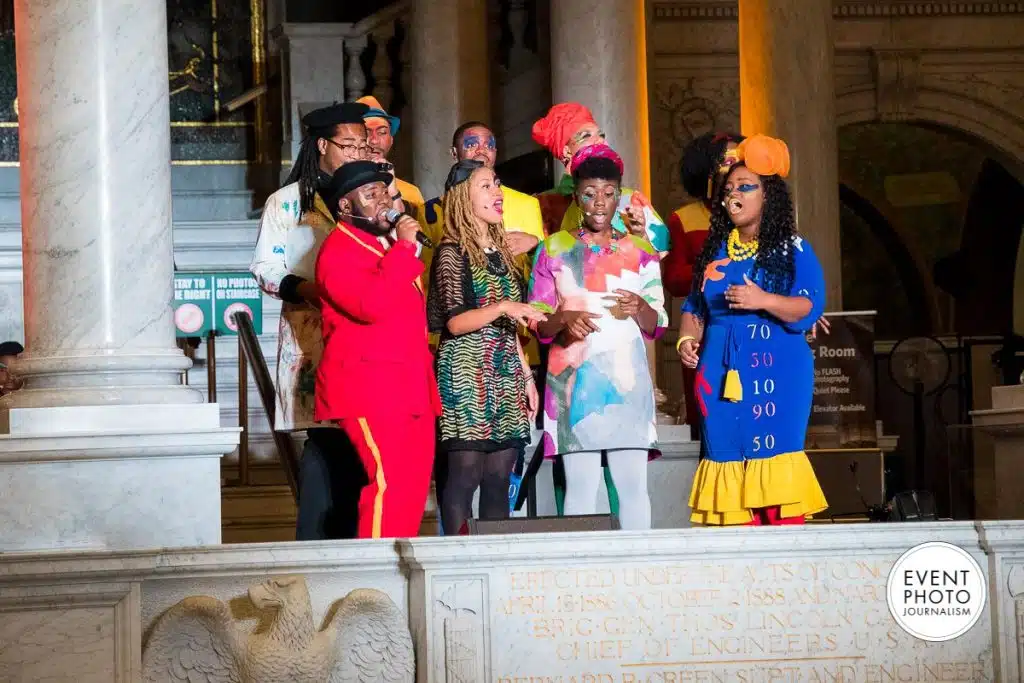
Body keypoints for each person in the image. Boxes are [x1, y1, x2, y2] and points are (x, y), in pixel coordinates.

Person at [678, 134, 828, 526]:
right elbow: (694, 307)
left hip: (780, 375)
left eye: (746, 187)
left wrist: (764, 300)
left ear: (769, 196)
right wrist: (686, 339)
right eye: (728, 189)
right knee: (724, 455)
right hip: (717, 375)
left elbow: (809, 307)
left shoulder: (794, 249)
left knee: (775, 464)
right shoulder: (714, 253)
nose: (734, 195)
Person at [531, 102, 670, 517]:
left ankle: (635, 577)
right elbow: (537, 319)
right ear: (576, 195)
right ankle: (578, 580)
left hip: (626, 383)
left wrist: (642, 305)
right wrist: (563, 320)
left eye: (609, 194)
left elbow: (658, 322)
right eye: (589, 194)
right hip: (573, 385)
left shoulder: (641, 251)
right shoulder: (554, 248)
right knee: (579, 490)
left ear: (619, 195)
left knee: (633, 489)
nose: (599, 204)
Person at [250, 101, 371, 541]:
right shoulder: (286, 203)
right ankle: (317, 551)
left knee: (364, 447)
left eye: (364, 144)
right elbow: (265, 268)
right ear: (322, 145)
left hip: (367, 341)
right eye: (348, 145)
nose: (358, 152)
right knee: (326, 444)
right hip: (314, 341)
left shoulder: (369, 198)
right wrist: (312, 290)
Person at [314, 160, 439, 539]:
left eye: (385, 191)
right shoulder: (337, 251)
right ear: (346, 208)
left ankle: (400, 581)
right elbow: (370, 305)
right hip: (370, 388)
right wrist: (403, 249)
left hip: (407, 385)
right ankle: (375, 586)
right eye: (370, 195)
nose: (383, 200)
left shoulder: (380, 245)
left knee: (412, 488)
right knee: (388, 482)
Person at [427, 159, 547, 535]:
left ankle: (494, 564)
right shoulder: (451, 251)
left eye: (496, 185)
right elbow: (454, 321)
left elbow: (512, 324)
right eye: (485, 186)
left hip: (506, 369)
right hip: (465, 371)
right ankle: (458, 564)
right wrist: (503, 307)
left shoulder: (503, 251)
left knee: (499, 476)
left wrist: (526, 375)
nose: (497, 192)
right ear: (463, 197)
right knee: (465, 475)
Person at [663, 132, 745, 430]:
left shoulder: (759, 218)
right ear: (707, 170)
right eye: (726, 160)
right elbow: (673, 279)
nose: (734, 165)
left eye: (739, 159)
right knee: (709, 420)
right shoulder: (684, 218)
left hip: (753, 328)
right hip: (702, 329)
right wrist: (715, 270)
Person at [531, 102, 669, 253]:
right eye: (586, 136)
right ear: (566, 151)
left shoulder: (630, 199)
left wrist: (640, 235)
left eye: (601, 135)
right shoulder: (542, 205)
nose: (600, 140)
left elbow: (662, 260)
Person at [356, 95, 425, 216]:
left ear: (391, 140)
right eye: (366, 133)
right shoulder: (344, 190)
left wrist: (394, 193)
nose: (374, 141)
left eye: (382, 132)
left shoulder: (411, 193)